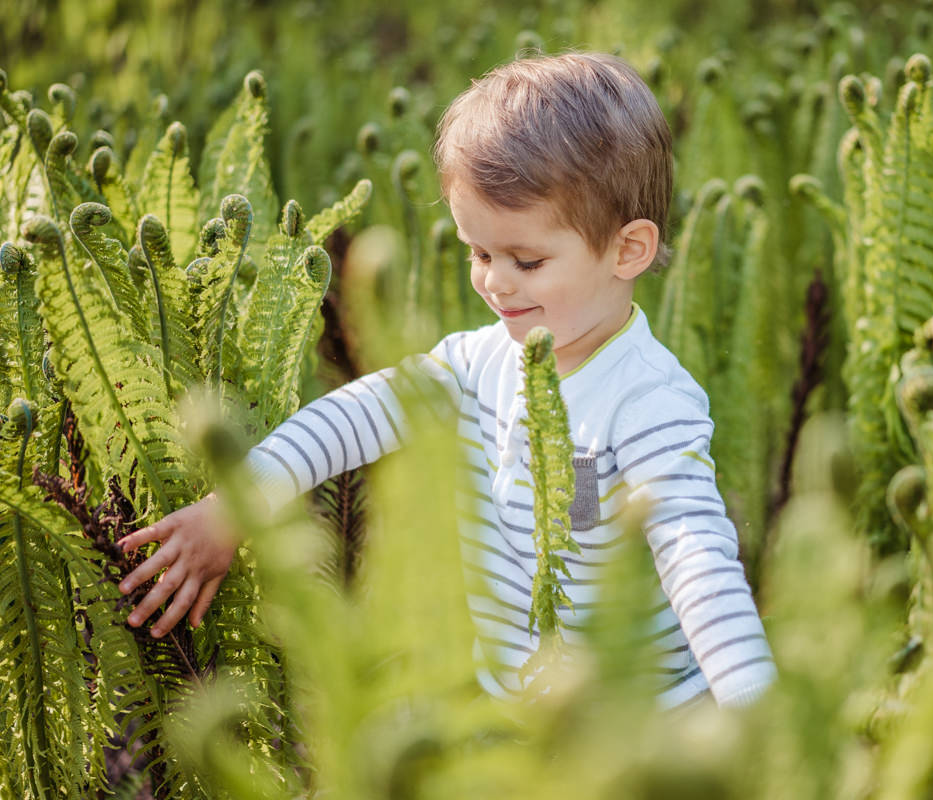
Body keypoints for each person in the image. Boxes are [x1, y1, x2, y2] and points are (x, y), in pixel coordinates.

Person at [118, 52, 776, 710]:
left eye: (526, 258)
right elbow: (354, 417)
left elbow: (699, 562)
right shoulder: (477, 363)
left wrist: (760, 719)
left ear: (627, 250)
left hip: (648, 726)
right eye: (479, 252)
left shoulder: (647, 402)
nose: (495, 280)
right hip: (518, 721)